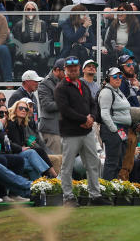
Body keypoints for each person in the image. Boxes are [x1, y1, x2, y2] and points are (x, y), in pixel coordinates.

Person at [55, 56, 109, 206]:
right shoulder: (61, 88)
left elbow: (93, 104)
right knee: (67, 166)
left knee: (93, 163)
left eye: (75, 68)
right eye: (70, 68)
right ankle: (68, 197)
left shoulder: (83, 85)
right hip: (71, 133)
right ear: (65, 69)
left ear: (79, 68)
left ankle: (95, 195)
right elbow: (65, 110)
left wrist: (91, 117)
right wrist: (84, 120)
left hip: (87, 133)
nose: (73, 70)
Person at [96, 66, 131, 180]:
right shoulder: (107, 91)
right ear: (108, 78)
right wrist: (115, 130)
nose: (118, 79)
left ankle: (114, 187)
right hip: (112, 130)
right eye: (115, 76)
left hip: (121, 130)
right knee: (112, 162)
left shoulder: (118, 91)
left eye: (120, 76)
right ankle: (107, 189)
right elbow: (104, 114)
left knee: (119, 162)